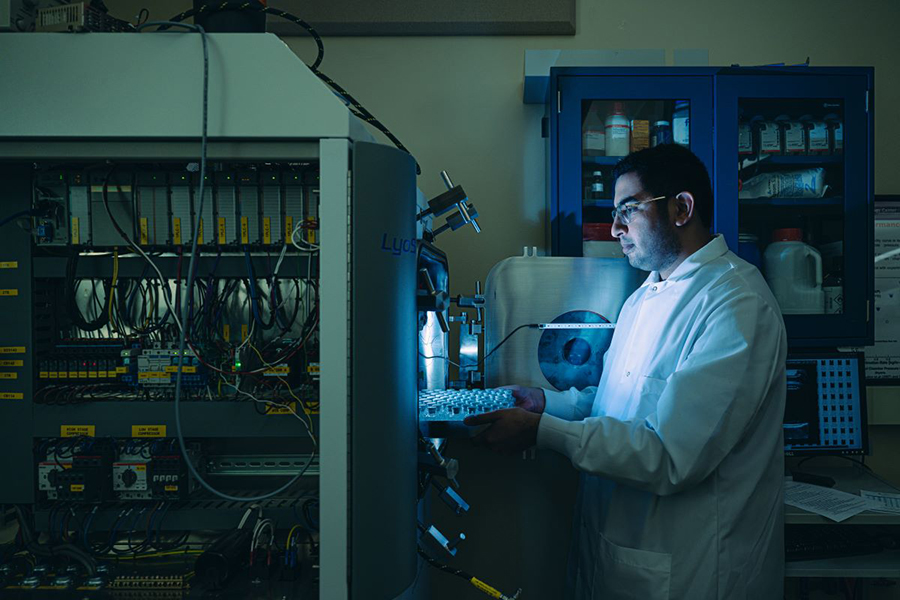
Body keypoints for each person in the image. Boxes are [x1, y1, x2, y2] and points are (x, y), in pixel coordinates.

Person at [464, 144, 787, 599]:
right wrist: (546, 403)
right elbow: (616, 406)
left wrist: (542, 432)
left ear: (681, 208)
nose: (615, 228)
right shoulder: (643, 297)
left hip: (690, 571)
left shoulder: (735, 304)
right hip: (619, 551)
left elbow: (670, 456)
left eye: (628, 210)